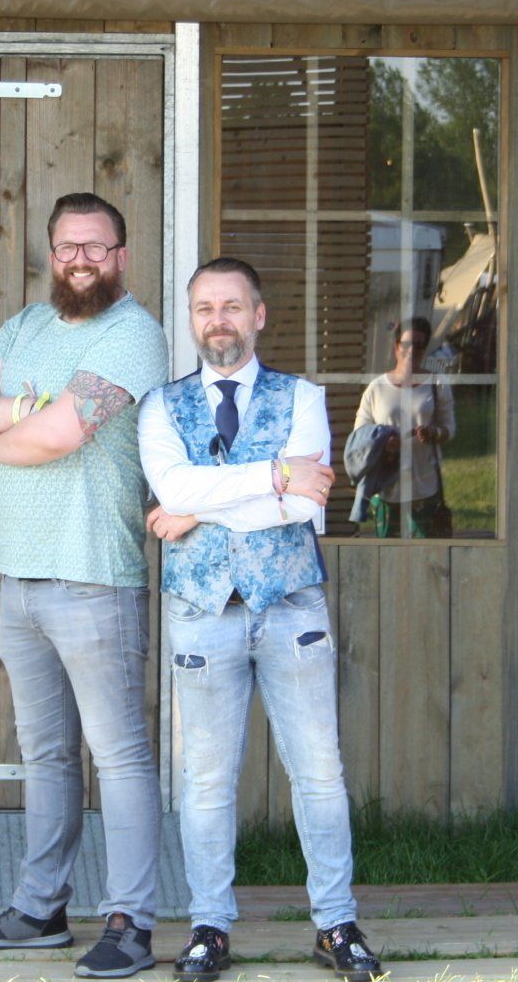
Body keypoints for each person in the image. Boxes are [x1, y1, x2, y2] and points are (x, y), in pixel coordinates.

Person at [0, 193, 169, 979]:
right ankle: (40, 910)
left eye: (96, 247)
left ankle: (131, 924)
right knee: (46, 753)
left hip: (95, 574)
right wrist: (18, 411)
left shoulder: (133, 333)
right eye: (68, 246)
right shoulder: (25, 327)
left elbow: (64, 432)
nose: (81, 260)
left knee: (120, 756)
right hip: (19, 573)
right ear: (51, 252)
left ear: (121, 256)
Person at [138, 257, 385, 982]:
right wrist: (273, 475)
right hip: (202, 612)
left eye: (232, 306)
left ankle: (335, 924)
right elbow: (178, 485)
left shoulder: (302, 397)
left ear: (258, 315)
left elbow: (306, 505)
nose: (218, 320)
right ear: (193, 320)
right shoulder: (160, 407)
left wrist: (194, 509)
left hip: (291, 609)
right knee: (206, 781)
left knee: (319, 773)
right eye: (205, 308)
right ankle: (209, 928)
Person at [351, 316, 455, 538]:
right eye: (407, 343)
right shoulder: (376, 388)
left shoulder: (437, 384)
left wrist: (433, 433)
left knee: (427, 555)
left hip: (424, 487)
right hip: (386, 489)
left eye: (420, 345)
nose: (412, 350)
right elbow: (359, 435)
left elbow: (450, 429)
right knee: (388, 556)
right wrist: (383, 443)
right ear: (396, 346)